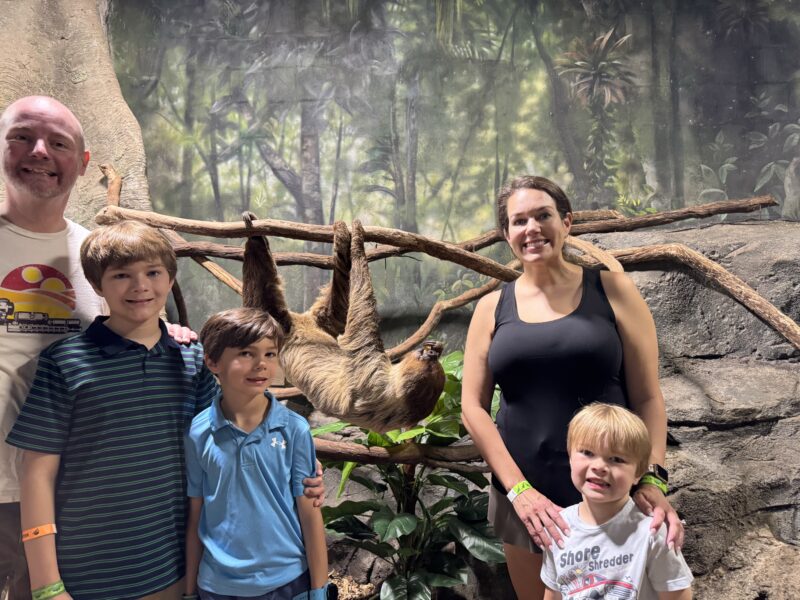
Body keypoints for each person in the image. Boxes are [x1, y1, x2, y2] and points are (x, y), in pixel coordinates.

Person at [0, 96, 324, 599]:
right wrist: (48, 586)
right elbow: (38, 468)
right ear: (98, 285)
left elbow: (223, 436)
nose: (139, 287)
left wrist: (299, 466)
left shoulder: (190, 359)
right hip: (86, 559)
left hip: (171, 557)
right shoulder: (65, 363)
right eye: (122, 277)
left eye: (153, 274)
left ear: (170, 281)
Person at [461, 175, 684, 600]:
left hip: (613, 491)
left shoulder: (613, 289)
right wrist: (519, 490)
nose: (532, 228)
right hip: (524, 498)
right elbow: (472, 407)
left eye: (543, 216)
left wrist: (653, 478)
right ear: (506, 234)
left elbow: (648, 397)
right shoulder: (491, 307)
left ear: (567, 222)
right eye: (518, 220)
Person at [184, 308, 330, 600]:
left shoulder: (294, 430)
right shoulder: (198, 432)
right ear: (212, 361)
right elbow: (196, 516)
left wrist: (319, 591)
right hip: (216, 586)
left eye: (270, 354)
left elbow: (310, 516)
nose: (261, 364)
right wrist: (189, 592)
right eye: (247, 354)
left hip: (287, 583)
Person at [541, 403, 692, 599]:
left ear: (638, 473)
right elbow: (553, 592)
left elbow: (678, 595)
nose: (599, 466)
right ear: (570, 457)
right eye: (587, 452)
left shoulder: (651, 531)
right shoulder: (557, 528)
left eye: (616, 459)